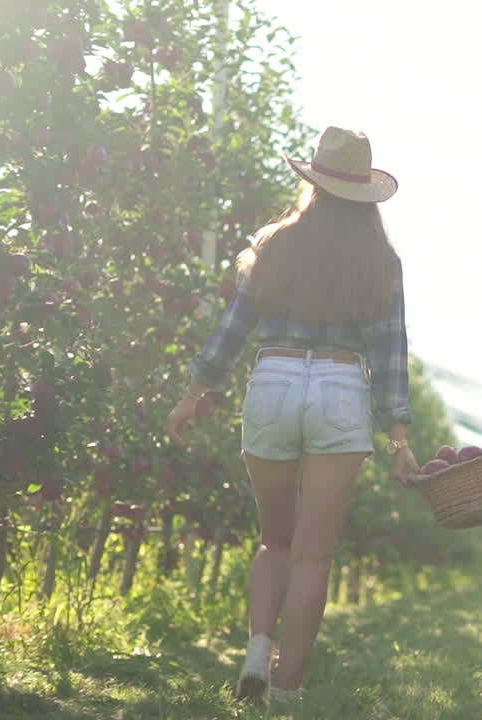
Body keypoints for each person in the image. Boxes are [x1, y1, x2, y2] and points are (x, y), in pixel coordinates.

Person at [166, 126, 420, 704]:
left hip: (274, 381)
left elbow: (233, 330)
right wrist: (400, 437)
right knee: (313, 552)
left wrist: (193, 394)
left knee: (274, 542)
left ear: (313, 181)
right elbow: (390, 353)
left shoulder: (273, 244)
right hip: (338, 387)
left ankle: (258, 650)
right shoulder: (380, 260)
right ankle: (287, 689)